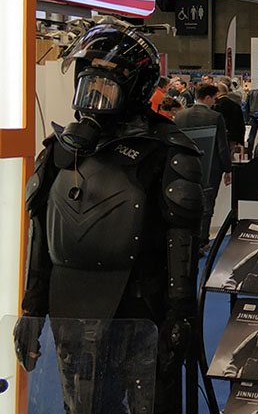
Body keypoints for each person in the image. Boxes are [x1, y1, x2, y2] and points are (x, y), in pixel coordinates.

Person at [13, 23, 204, 414]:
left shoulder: (164, 150)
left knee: (151, 404)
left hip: (141, 307)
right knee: (81, 406)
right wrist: (32, 310)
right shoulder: (61, 149)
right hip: (70, 307)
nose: (93, 93)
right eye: (89, 81)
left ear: (134, 87)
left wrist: (178, 315)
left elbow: (181, 243)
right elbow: (42, 236)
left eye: (105, 83)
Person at [173, 83, 233, 252]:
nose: (214, 102)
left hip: (183, 166)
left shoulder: (180, 116)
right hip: (210, 167)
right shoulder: (215, 117)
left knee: (183, 203)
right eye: (214, 98)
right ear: (207, 98)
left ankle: (186, 240)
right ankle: (202, 240)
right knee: (207, 205)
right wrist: (228, 169)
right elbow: (222, 146)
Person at [213, 81, 246, 152]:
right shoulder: (235, 105)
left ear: (218, 92)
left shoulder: (215, 105)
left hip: (218, 137)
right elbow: (240, 124)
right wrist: (240, 141)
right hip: (233, 137)